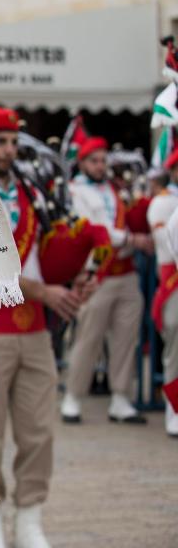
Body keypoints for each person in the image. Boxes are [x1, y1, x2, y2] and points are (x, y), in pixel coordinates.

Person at [0, 108, 94, 548]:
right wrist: (44, 291)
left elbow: (50, 248)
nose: (9, 150)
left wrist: (77, 274)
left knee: (38, 431)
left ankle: (30, 517)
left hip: (36, 330)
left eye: (13, 142)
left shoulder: (32, 191)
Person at [62, 137, 152, 424]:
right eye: (94, 161)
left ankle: (121, 398)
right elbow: (94, 229)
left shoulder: (116, 189)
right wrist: (131, 238)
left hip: (125, 271)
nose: (100, 166)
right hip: (96, 274)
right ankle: (73, 396)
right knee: (88, 337)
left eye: (103, 160)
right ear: (83, 163)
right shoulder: (75, 191)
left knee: (126, 338)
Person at [150, 148, 178, 437]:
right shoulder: (164, 204)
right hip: (173, 280)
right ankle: (174, 409)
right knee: (175, 351)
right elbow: (167, 242)